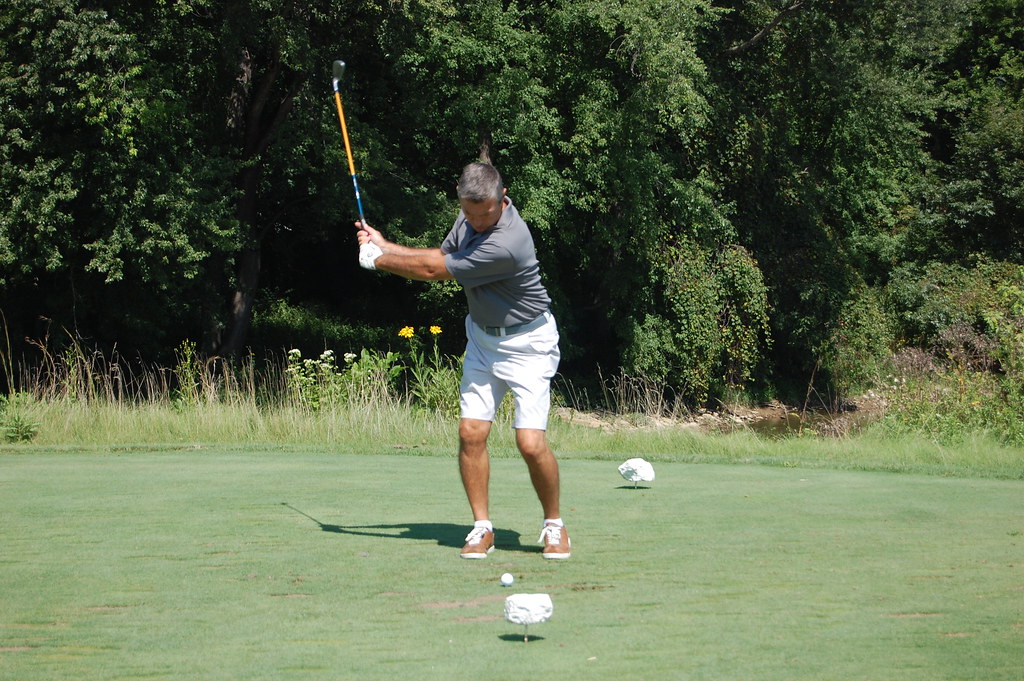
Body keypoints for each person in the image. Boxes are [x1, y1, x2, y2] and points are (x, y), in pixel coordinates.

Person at [355, 162, 570, 560]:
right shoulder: (470, 216)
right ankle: (481, 527)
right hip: (483, 340)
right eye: (469, 213)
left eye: (484, 213)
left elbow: (434, 270)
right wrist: (384, 245)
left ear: (502, 198)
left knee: (529, 442)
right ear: (461, 196)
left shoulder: (508, 242)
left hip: (529, 344)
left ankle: (554, 524)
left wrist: (376, 260)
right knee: (471, 433)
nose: (476, 221)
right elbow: (441, 254)